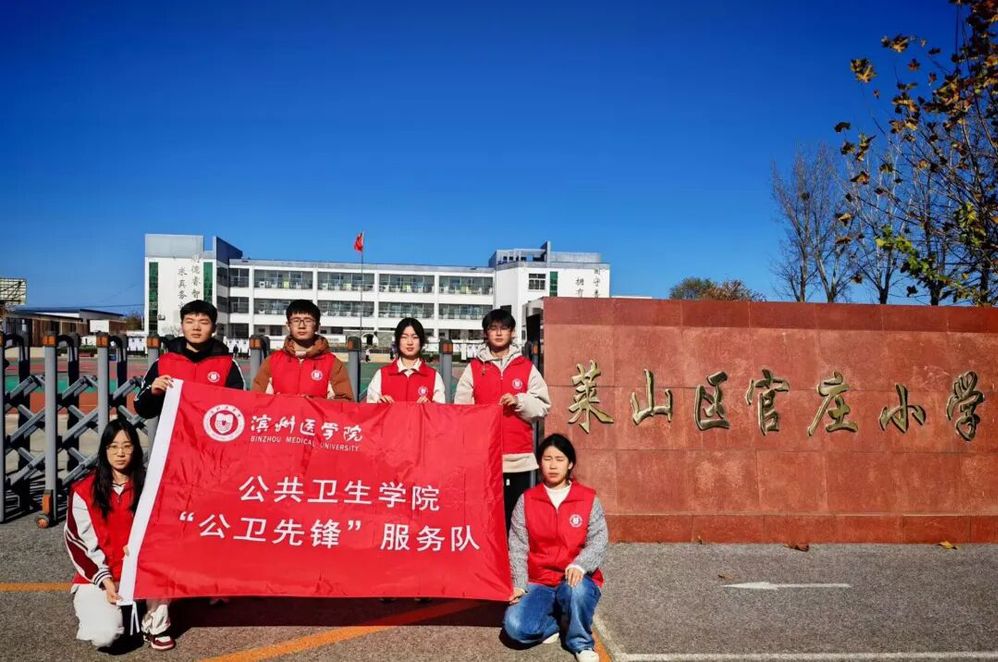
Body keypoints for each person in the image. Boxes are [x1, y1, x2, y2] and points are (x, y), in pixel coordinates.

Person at [64, 419, 174, 651]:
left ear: (136, 449)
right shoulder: (84, 490)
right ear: (104, 451)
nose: (120, 453)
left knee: (163, 558)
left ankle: (155, 624)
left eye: (127, 446)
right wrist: (104, 578)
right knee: (104, 636)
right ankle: (120, 609)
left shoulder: (151, 485)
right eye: (113, 446)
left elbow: (167, 530)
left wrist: (144, 548)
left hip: (141, 570)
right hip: (100, 575)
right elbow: (76, 541)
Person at [502, 434, 608, 662]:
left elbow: (599, 539)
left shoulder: (587, 498)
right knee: (515, 628)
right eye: (547, 459)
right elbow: (518, 546)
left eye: (559, 459)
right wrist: (519, 583)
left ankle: (581, 643)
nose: (552, 465)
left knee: (576, 591)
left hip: (575, 578)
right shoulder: (527, 500)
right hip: (539, 581)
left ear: (570, 464)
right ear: (540, 463)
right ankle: (558, 621)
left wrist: (580, 565)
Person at [454, 309, 550, 527]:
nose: (498, 333)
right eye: (493, 328)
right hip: (483, 459)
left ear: (512, 332)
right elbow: (461, 410)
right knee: (484, 519)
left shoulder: (526, 367)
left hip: (518, 460)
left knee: (516, 520)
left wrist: (519, 401)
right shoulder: (474, 368)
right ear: (485, 333)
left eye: (504, 328)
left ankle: (513, 551)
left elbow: (543, 406)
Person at [134, 300, 244, 418]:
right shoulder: (163, 363)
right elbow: (142, 410)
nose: (196, 327)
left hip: (212, 428)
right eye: (189, 321)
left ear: (214, 328)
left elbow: (241, 408)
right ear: (182, 326)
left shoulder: (228, 365)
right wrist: (152, 393)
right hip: (174, 430)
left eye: (204, 322)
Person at [251, 300, 353, 399]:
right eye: (296, 320)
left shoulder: (333, 364)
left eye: (308, 320)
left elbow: (344, 402)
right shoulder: (272, 362)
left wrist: (310, 403)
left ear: (317, 326)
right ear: (288, 325)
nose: (302, 326)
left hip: (315, 412)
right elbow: (257, 400)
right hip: (282, 412)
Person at [366, 318, 446, 405]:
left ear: (421, 341)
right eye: (404, 337)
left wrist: (430, 407)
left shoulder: (434, 377)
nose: (410, 342)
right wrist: (378, 405)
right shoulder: (381, 375)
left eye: (415, 337)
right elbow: (369, 409)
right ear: (398, 341)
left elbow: (441, 411)